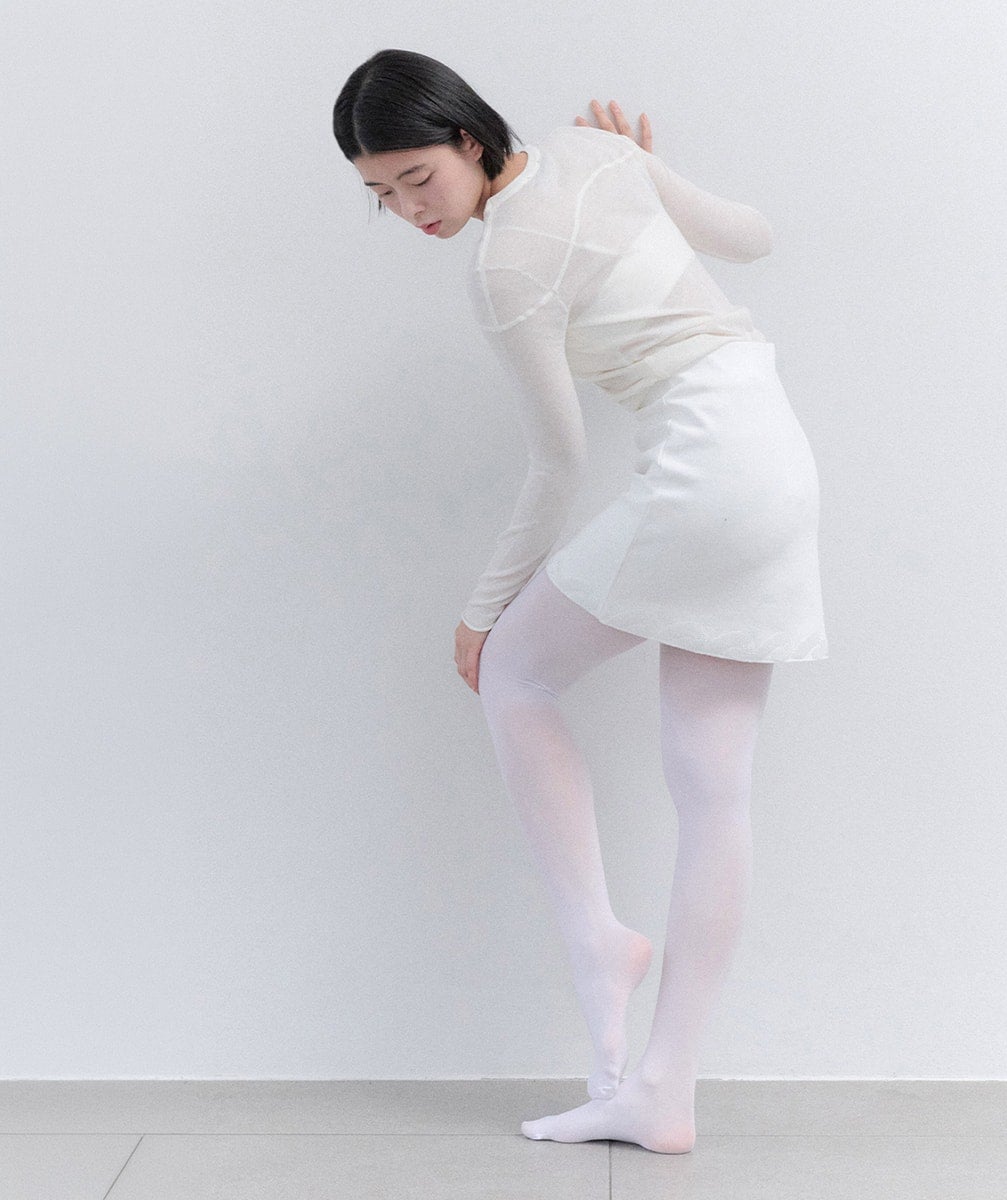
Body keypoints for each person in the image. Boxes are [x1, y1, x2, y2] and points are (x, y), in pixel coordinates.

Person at [333, 50, 828, 1155]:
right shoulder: (599, 154)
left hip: (707, 468)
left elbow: (558, 462)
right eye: (381, 194)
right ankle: (663, 1092)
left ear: (468, 139)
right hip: (778, 461)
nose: (410, 209)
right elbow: (753, 237)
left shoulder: (504, 267)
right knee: (715, 792)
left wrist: (481, 610)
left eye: (417, 177)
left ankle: (595, 937)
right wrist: (647, 174)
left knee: (512, 670)